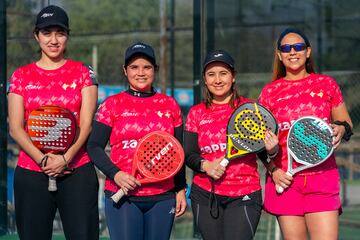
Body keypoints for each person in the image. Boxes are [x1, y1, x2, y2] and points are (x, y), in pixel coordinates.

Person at [8, 5, 99, 240]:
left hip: (77, 170)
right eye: (47, 33)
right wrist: (44, 160)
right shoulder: (20, 75)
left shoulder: (84, 73)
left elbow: (87, 124)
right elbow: (16, 128)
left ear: (67, 35)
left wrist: (65, 159)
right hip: (32, 172)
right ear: (36, 36)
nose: (54, 40)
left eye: (60, 33)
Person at [259, 28, 353, 239]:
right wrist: (273, 170)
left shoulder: (326, 84)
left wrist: (340, 128)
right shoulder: (269, 92)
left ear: (308, 52)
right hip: (285, 180)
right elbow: (260, 144)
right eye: (286, 48)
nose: (293, 52)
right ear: (279, 55)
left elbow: (347, 122)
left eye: (298, 47)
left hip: (323, 178)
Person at [87, 42, 187, 240]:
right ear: (125, 71)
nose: (140, 72)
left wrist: (181, 190)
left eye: (147, 67)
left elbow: (178, 152)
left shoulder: (170, 105)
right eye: (134, 67)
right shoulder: (112, 104)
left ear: (155, 70)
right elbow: (93, 146)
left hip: (162, 197)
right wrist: (116, 175)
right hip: (122, 196)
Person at [184, 50, 278, 240]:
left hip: (245, 194)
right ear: (205, 79)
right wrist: (206, 166)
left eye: (223, 73)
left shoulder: (251, 109)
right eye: (211, 74)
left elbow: (261, 152)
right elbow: (189, 154)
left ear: (233, 77)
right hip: (204, 195)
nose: (217, 80)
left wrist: (273, 150)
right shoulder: (196, 113)